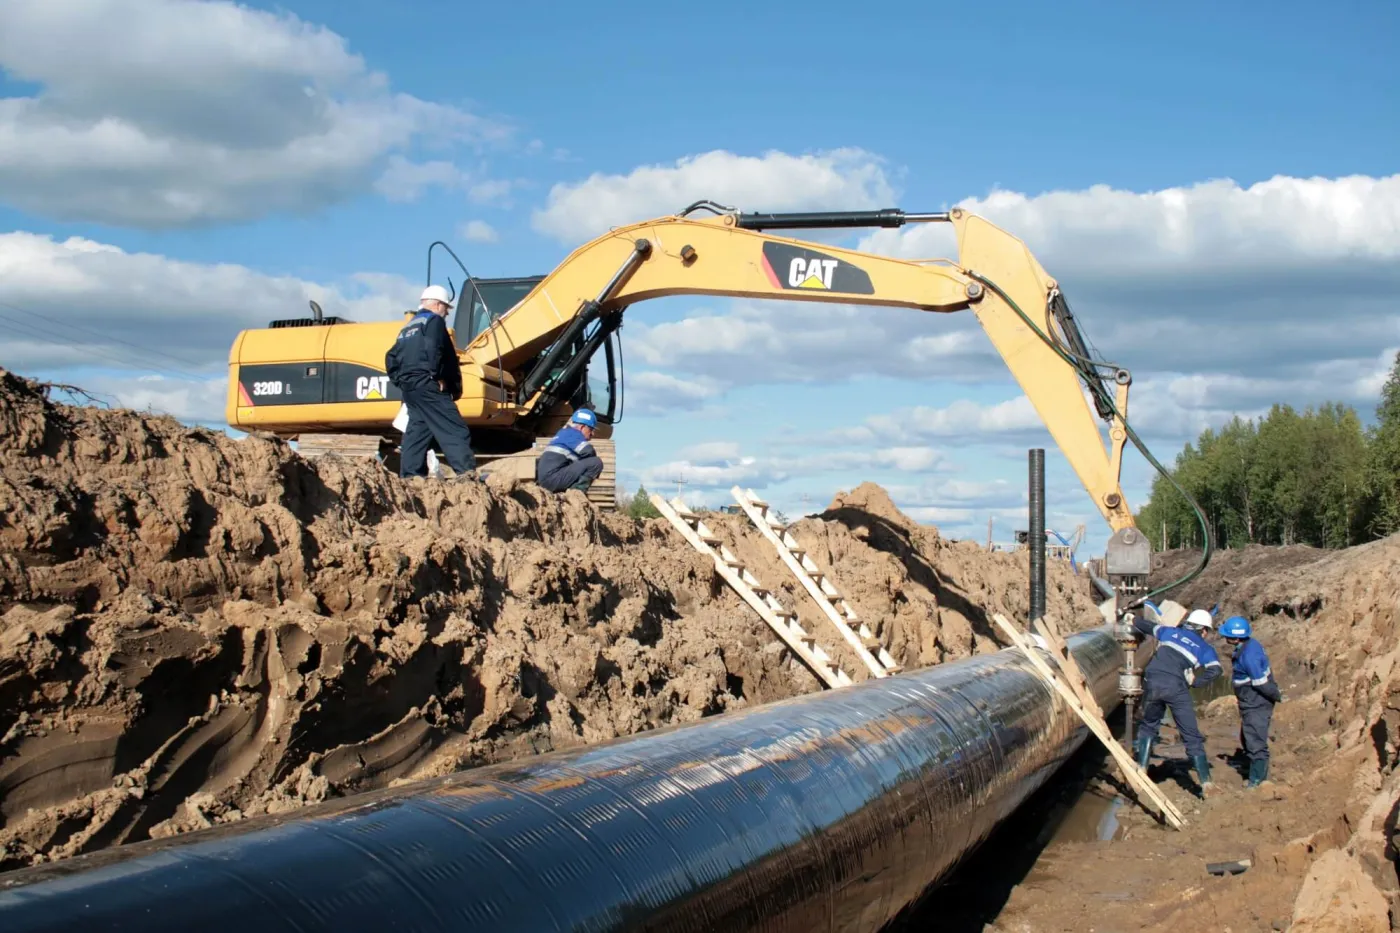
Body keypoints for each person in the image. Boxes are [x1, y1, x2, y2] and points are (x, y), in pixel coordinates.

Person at [385, 285, 478, 480]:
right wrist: (436, 375)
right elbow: (434, 346)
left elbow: (391, 356)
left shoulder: (408, 327)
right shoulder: (433, 320)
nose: (446, 313)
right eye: (446, 308)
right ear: (437, 304)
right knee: (453, 427)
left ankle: (411, 477)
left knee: (418, 430)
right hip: (428, 384)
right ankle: (466, 474)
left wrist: (400, 381)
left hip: (410, 388)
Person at [1132, 607, 1224, 793]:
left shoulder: (1171, 632)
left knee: (1148, 725)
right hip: (1176, 687)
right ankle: (1206, 783)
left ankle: (1141, 771)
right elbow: (1216, 670)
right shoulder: (1205, 648)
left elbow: (1149, 626)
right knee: (1191, 736)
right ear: (1204, 630)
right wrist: (1196, 682)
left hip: (1153, 680)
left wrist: (1132, 619)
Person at [1219, 615, 1281, 788]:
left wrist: (1275, 695)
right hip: (1251, 701)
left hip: (1256, 702)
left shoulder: (1248, 656)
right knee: (1247, 738)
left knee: (1255, 741)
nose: (1225, 638)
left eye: (1227, 635)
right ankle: (1256, 772)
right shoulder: (1250, 645)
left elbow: (1260, 682)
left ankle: (1258, 781)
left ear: (1237, 637)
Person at [536, 408, 604, 493]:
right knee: (595, 463)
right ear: (582, 427)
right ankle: (576, 494)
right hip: (553, 479)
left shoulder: (564, 433)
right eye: (591, 429)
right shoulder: (573, 434)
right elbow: (589, 451)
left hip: (547, 479)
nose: (592, 433)